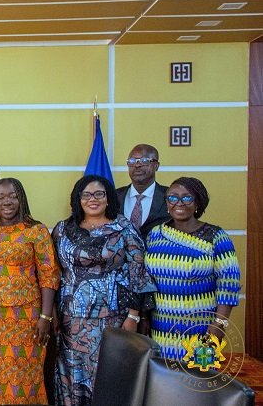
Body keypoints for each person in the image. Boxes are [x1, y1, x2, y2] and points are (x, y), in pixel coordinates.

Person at [52, 175, 156, 406]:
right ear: (78, 199)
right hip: (71, 321)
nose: (93, 199)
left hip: (112, 319)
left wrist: (132, 316)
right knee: (71, 375)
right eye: (86, 194)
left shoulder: (124, 228)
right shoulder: (62, 229)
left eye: (99, 194)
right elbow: (54, 273)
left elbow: (137, 274)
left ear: (108, 198)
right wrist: (52, 313)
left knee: (108, 376)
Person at [0, 177, 59, 406]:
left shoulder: (36, 231)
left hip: (25, 319)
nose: (7, 202)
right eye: (1, 197)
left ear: (22, 199)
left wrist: (45, 317)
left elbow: (49, 275)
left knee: (22, 378)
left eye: (13, 196)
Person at [145, 177, 241, 360]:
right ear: (166, 203)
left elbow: (229, 287)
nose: (179, 203)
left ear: (197, 202)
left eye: (187, 198)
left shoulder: (216, 237)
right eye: (172, 198)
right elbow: (146, 281)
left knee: (197, 383)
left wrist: (217, 329)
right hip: (160, 330)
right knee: (162, 384)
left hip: (202, 330)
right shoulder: (155, 235)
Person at [116, 144, 169, 239]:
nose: (137, 165)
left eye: (144, 160)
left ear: (156, 166)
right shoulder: (114, 196)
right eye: (132, 161)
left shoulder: (169, 196)